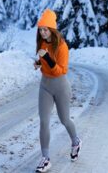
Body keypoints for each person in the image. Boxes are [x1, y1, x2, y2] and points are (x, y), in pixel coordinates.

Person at [33, 9, 82, 173]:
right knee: (44, 121)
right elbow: (43, 62)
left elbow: (61, 70)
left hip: (60, 86)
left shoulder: (62, 46)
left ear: (52, 29)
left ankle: (75, 141)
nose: (42, 32)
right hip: (45, 86)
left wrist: (46, 57)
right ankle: (45, 158)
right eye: (40, 29)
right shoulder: (41, 43)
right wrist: (39, 63)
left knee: (64, 119)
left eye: (45, 29)